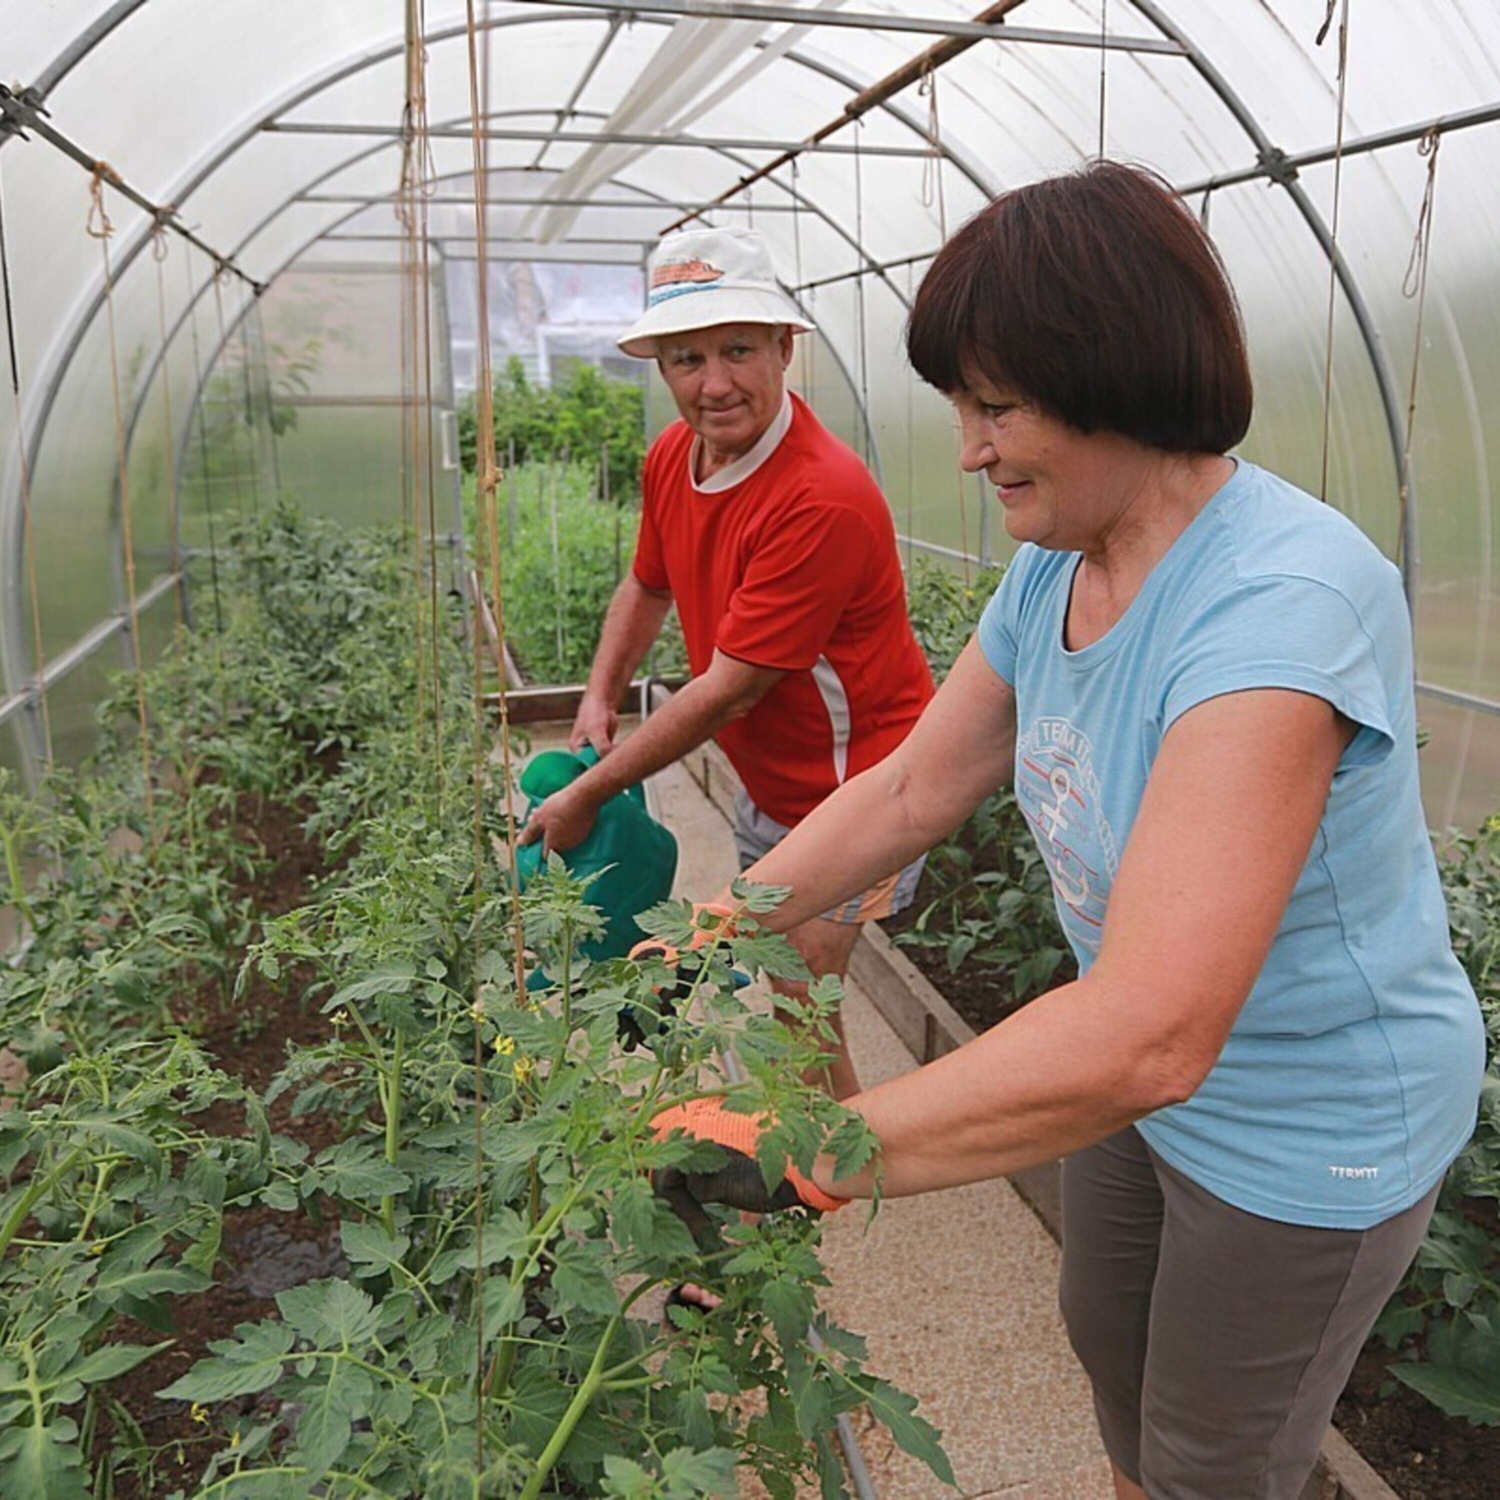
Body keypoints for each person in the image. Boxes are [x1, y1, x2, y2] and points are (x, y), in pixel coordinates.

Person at [647, 163, 1486, 1500]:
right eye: (962, 410)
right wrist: (708, 927)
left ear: (1118, 378)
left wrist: (812, 1154)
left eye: (996, 409)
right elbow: (917, 787)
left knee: (1220, 1451)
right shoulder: (1057, 564)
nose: (971, 451)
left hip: (1305, 1119)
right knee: (1109, 1344)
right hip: (1133, 1079)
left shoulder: (1281, 606)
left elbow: (1154, 1031)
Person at [519, 224, 934, 1102]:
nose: (714, 384)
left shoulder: (818, 496)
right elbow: (646, 585)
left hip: (863, 783)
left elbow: (726, 694)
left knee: (797, 984)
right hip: (772, 778)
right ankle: (810, 1158)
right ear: (661, 368)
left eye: (738, 350)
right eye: (685, 359)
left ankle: (825, 1173)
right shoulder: (674, 455)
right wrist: (597, 699)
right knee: (780, 981)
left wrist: (586, 792)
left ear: (785, 347)